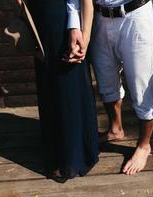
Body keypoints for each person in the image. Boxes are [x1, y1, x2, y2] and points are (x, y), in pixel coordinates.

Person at [68, 0, 153, 176]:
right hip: (98, 17)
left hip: (136, 16)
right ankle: (115, 128)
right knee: (106, 81)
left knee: (143, 87)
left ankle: (144, 145)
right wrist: (74, 23)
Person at [15, 0, 99, 183]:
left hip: (62, 17)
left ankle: (73, 157)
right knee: (48, 84)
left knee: (67, 85)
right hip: (39, 16)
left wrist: (78, 29)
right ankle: (57, 152)